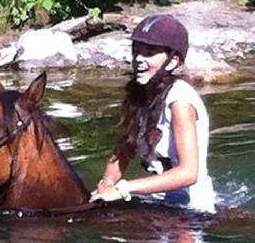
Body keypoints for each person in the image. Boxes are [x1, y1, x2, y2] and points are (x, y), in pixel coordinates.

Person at [90, 14, 216, 214]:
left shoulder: (180, 101)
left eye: (149, 53)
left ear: (173, 61)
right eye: (136, 52)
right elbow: (122, 151)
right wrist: (106, 183)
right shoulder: (139, 94)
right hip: (153, 203)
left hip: (191, 210)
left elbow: (189, 173)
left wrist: (123, 188)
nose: (139, 59)